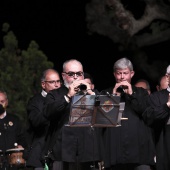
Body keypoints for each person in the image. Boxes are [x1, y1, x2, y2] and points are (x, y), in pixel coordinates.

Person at [43, 59, 104, 170]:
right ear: (63, 76)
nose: (76, 77)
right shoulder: (54, 94)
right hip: (61, 152)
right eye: (71, 74)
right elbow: (48, 113)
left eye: (79, 74)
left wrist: (91, 94)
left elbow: (107, 114)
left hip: (88, 152)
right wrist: (68, 96)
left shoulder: (92, 93)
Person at [100, 57, 155, 170]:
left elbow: (146, 113)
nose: (122, 77)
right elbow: (103, 119)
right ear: (114, 74)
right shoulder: (105, 93)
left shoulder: (141, 92)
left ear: (132, 73)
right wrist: (114, 97)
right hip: (115, 153)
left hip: (139, 153)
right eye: (119, 73)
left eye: (125, 73)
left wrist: (131, 94)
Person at [25, 69, 62, 170]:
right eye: (52, 82)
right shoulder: (34, 102)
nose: (57, 85)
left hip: (60, 153)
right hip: (40, 154)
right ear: (43, 84)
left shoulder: (63, 100)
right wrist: (54, 110)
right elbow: (37, 122)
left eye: (58, 81)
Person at [142, 65, 170, 170]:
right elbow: (149, 118)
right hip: (165, 153)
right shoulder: (156, 97)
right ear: (167, 77)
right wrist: (167, 106)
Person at [0, 90, 27, 170]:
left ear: (7, 102)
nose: (0, 104)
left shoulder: (15, 120)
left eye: (2, 101)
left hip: (12, 163)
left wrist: (21, 145)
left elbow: (22, 138)